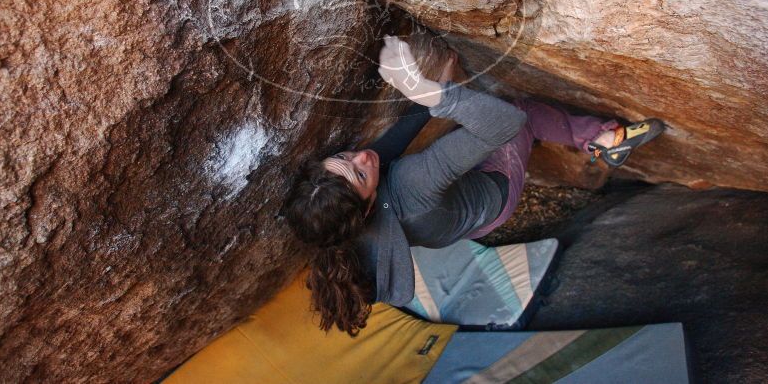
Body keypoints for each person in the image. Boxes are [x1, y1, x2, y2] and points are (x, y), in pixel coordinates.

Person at [283, 36, 664, 336]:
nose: (361, 158)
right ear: (368, 208)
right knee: (523, 112)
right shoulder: (410, 185)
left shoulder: (338, 223)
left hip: (459, 218)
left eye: (346, 157)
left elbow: (382, 154)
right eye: (359, 174)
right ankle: (603, 140)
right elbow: (506, 123)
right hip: (494, 195)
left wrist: (432, 95)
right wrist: (434, 94)